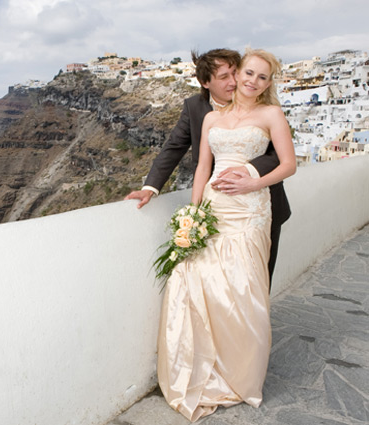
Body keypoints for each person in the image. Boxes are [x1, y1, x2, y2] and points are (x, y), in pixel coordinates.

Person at [155, 49, 296, 421]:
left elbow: (288, 164)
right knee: (199, 280)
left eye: (260, 77)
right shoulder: (211, 118)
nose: (250, 81)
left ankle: (242, 372)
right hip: (215, 208)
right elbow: (202, 166)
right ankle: (208, 363)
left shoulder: (271, 114)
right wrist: (194, 213)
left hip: (250, 211)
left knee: (246, 288)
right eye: (247, 73)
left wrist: (254, 183)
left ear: (268, 83)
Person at [124, 48, 291, 284]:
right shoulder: (195, 108)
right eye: (224, 77)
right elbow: (174, 147)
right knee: (210, 277)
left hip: (259, 204)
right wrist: (151, 187)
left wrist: (247, 171)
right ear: (205, 82)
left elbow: (278, 154)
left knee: (257, 278)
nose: (234, 82)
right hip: (214, 205)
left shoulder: (265, 108)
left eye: (235, 73)